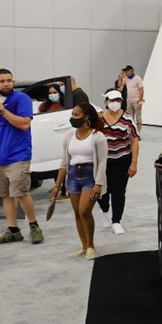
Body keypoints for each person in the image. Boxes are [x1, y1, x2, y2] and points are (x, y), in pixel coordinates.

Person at [0, 69, 43, 245]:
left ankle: (34, 226)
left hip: (18, 155)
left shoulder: (21, 99)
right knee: (5, 195)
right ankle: (13, 231)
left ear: (13, 82)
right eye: (2, 81)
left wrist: (2, 111)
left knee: (21, 193)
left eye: (9, 80)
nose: (6, 83)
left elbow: (24, 124)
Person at [51, 102, 107, 260]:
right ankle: (84, 246)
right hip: (73, 176)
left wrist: (98, 184)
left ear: (86, 116)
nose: (72, 118)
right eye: (72, 115)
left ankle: (91, 245)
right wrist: (57, 185)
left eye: (76, 115)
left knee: (84, 211)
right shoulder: (69, 137)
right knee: (77, 213)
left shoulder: (98, 137)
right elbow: (64, 163)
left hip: (90, 176)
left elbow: (102, 162)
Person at [96, 89, 139, 235]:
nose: (115, 103)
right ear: (106, 101)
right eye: (112, 100)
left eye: (118, 100)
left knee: (118, 191)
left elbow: (134, 141)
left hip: (122, 159)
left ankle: (116, 221)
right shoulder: (99, 118)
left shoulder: (128, 118)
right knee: (101, 191)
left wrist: (134, 163)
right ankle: (105, 210)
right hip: (103, 160)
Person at [119, 65, 145, 131]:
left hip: (136, 100)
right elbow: (120, 86)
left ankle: (138, 132)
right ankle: (132, 131)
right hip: (129, 100)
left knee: (138, 117)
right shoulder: (126, 79)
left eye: (126, 71)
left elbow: (141, 90)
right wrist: (121, 77)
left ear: (130, 71)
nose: (125, 72)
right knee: (130, 117)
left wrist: (140, 101)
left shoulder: (137, 78)